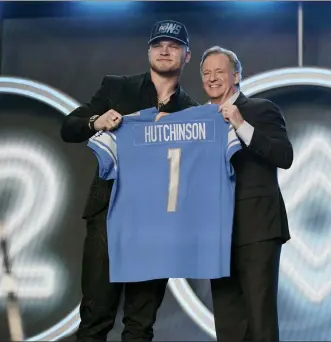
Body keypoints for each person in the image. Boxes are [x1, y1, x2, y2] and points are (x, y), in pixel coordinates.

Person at [60, 20, 199, 342]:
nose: (165, 50)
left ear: (187, 56)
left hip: (158, 224)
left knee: (140, 325)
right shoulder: (116, 88)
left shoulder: (192, 112)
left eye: (174, 45)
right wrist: (97, 121)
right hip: (109, 215)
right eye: (158, 44)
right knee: (96, 317)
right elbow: (69, 127)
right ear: (149, 51)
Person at [200, 46, 293, 342]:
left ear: (236, 75)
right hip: (218, 233)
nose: (212, 78)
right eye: (206, 73)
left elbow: (284, 155)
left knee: (260, 320)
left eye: (219, 72)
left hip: (258, 230)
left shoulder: (261, 109)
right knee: (228, 324)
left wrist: (240, 124)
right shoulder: (198, 121)